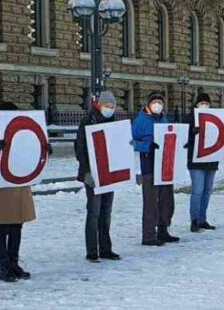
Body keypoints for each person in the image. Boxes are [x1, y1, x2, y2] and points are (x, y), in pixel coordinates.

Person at [0, 102, 39, 282]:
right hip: (2, 188)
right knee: (3, 227)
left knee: (17, 226)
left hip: (19, 185)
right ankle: (4, 266)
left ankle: (14, 262)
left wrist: (42, 151)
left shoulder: (21, 132)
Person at [75, 91, 121, 262]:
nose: (109, 109)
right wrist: (86, 171)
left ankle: (106, 248)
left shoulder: (114, 123)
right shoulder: (88, 121)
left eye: (112, 106)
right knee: (94, 211)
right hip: (93, 173)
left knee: (106, 211)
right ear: (99, 105)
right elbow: (80, 148)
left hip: (109, 173)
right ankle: (92, 250)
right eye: (107, 106)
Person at [132, 92, 180, 245]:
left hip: (165, 164)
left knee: (167, 199)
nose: (158, 105)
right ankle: (149, 235)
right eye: (155, 102)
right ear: (149, 104)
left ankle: (163, 229)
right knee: (151, 201)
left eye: (160, 102)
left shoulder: (164, 118)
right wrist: (147, 146)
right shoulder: (140, 121)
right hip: (149, 164)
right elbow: (130, 142)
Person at [186, 93, 222, 232]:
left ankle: (202, 218)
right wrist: (192, 133)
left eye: (207, 103)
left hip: (211, 160)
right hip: (196, 161)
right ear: (197, 104)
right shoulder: (190, 118)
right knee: (197, 191)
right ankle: (194, 220)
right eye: (202, 103)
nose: (204, 106)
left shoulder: (215, 117)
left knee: (207, 191)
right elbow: (183, 139)